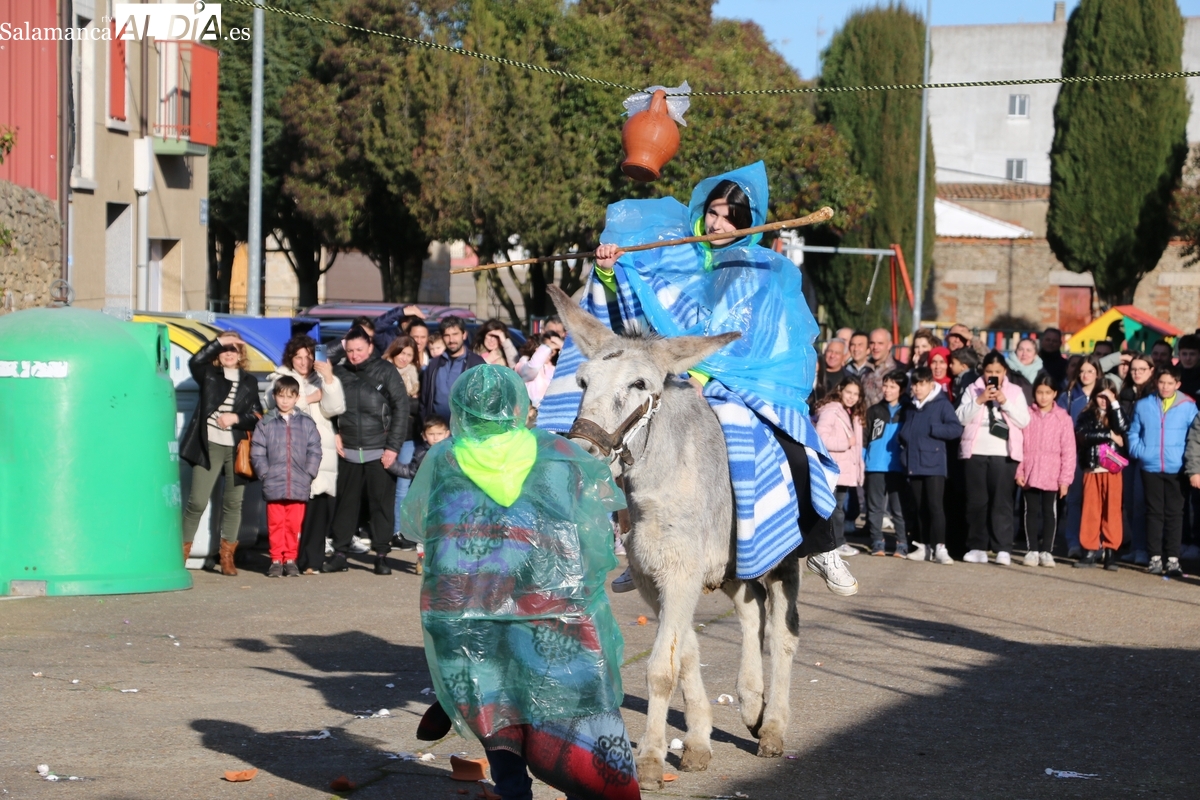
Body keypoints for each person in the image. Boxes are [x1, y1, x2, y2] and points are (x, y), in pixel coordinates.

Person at [538, 162, 852, 596]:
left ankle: (822, 544)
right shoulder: (675, 257)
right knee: (630, 444)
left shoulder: (760, 271)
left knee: (793, 451)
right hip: (670, 380)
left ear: (748, 225)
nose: (717, 223)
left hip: (741, 386)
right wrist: (611, 270)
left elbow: (758, 340)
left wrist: (706, 372)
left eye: (729, 218)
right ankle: (640, 552)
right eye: (713, 213)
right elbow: (633, 315)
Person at [399, 367, 638, 800]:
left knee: (495, 699)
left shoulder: (445, 457)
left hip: (468, 610)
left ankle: (513, 790)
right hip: (550, 604)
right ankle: (579, 785)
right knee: (570, 699)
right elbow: (592, 534)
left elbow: (420, 528)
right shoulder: (558, 453)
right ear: (516, 407)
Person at [324, 326, 410, 576]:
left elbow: (401, 408)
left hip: (380, 450)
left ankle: (381, 555)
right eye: (349, 350)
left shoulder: (385, 370)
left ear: (371, 347)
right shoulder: (338, 371)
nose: (354, 355)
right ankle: (340, 553)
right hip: (348, 449)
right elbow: (318, 357)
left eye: (359, 349)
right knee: (345, 505)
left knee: (380, 506)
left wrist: (393, 447)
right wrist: (334, 433)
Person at [179, 332, 263, 576]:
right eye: (225, 349)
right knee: (197, 501)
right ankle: (182, 553)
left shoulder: (249, 381)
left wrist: (236, 418)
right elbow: (195, 361)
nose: (228, 353)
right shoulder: (208, 375)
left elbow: (257, 416)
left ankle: (227, 556)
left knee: (233, 503)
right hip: (209, 445)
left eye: (234, 349)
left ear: (241, 354)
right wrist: (217, 342)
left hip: (237, 449)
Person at [265, 335, 347, 575]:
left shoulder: (322, 379)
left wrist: (329, 378)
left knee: (318, 509)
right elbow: (278, 406)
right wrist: (309, 398)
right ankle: (287, 558)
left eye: (308, 357)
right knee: (290, 512)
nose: (303, 362)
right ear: (290, 358)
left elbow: (335, 408)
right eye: (298, 357)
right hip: (291, 454)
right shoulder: (279, 379)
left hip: (320, 451)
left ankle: (312, 560)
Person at [957, 351, 1031, 565]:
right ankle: (977, 546)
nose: (993, 375)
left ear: (1004, 372)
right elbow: (960, 418)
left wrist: (1004, 401)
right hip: (975, 451)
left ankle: (1002, 548)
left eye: (997, 372)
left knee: (1002, 501)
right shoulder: (973, 389)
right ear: (983, 371)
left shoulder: (1015, 391)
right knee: (977, 501)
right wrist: (980, 400)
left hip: (1004, 453)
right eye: (989, 371)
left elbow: (1024, 421)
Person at [251, 377, 323, 578]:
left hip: (299, 483)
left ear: (297, 398)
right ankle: (275, 560)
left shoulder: (306, 423)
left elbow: (314, 450)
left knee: (293, 524)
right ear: (274, 396)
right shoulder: (266, 423)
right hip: (274, 482)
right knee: (276, 524)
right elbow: (257, 450)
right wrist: (264, 473)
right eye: (281, 396)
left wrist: (309, 473)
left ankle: (290, 559)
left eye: (289, 397)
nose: (284, 401)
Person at [1129, 365, 1196, 578]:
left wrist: (1188, 461)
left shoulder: (1188, 406)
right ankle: (1155, 556)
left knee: (1175, 513)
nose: (1165, 387)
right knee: (1154, 512)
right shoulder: (1143, 405)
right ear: (1156, 383)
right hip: (1150, 466)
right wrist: (1141, 452)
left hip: (1177, 468)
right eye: (1161, 382)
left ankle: (1173, 558)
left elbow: (1194, 436)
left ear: (1177, 384)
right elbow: (1134, 432)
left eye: (1170, 383)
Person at [899, 366, 963, 565]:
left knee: (935, 506)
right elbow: (905, 431)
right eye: (915, 384)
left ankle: (940, 547)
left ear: (931, 384)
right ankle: (923, 545)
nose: (917, 388)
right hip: (914, 462)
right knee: (920, 507)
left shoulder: (942, 405)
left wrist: (934, 429)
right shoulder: (910, 406)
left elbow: (955, 429)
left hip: (934, 464)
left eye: (922, 384)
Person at [1016, 374, 1075, 568]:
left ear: (1055, 394)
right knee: (1030, 511)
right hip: (1030, 469)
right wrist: (1019, 471)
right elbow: (1018, 443)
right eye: (1040, 392)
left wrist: (1065, 479)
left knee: (1050, 512)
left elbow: (1068, 450)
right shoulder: (1026, 414)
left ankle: (1047, 550)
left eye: (1048, 393)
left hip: (1052, 472)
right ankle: (1032, 549)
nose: (1043, 397)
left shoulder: (1063, 418)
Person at [388, 415, 451, 576]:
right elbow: (411, 471)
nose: (436, 438)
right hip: (425, 499)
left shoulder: (452, 451)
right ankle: (422, 560)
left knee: (444, 531)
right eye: (431, 434)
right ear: (424, 436)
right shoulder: (421, 452)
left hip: (445, 499)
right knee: (424, 531)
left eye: (439, 434)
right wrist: (393, 466)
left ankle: (441, 561)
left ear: (447, 433)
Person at [1074, 379, 1127, 570]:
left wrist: (1115, 404)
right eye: (1101, 396)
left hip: (1112, 469)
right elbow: (1083, 436)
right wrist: (1109, 435)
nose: (1104, 400)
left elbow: (1123, 428)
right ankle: (1089, 550)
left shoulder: (1117, 413)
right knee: (1090, 509)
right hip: (1092, 467)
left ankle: (1110, 552)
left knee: (1112, 510)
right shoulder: (1086, 415)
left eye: (1108, 396)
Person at [814, 378, 866, 569]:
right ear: (841, 390)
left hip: (842, 469)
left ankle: (834, 543)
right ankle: (836, 543)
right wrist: (845, 444)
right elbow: (821, 436)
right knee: (835, 509)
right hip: (834, 468)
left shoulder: (850, 413)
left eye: (855, 394)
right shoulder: (833, 410)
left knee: (837, 508)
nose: (852, 397)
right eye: (849, 392)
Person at [1059, 355, 1102, 558]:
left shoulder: (1104, 395)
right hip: (1073, 454)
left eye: (1090, 371)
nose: (1086, 375)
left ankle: (1094, 542)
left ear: (1097, 374)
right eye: (1083, 371)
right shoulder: (1068, 396)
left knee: (1096, 501)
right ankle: (1074, 542)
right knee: (1074, 500)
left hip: (1100, 455)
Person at [864, 370, 910, 557]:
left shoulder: (908, 411)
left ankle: (902, 541)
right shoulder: (874, 410)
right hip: (874, 465)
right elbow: (866, 438)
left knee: (898, 508)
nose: (888, 390)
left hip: (897, 466)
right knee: (875, 506)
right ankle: (877, 541)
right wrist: (863, 460)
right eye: (886, 385)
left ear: (902, 389)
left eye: (893, 386)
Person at [383, 336, 423, 544]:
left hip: (408, 436)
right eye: (402, 353)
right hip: (384, 436)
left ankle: (399, 531)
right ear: (393, 351)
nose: (404, 358)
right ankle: (381, 530)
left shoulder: (415, 376)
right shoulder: (383, 371)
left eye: (409, 355)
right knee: (383, 485)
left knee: (403, 485)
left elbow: (418, 406)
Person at [1119, 355, 1157, 566]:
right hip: (1126, 454)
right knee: (1131, 503)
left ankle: (1144, 548)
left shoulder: (1155, 394)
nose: (1137, 372)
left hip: (1147, 454)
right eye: (1133, 369)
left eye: (1142, 369)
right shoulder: (1124, 394)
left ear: (1151, 371)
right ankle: (1135, 546)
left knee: (1143, 502)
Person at [420, 316, 485, 426]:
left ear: (464, 335)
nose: (451, 340)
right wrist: (424, 425)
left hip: (464, 430)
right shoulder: (434, 364)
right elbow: (424, 400)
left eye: (455, 334)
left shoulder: (476, 364)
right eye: (447, 335)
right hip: (436, 430)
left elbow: (483, 401)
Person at [514, 332, 561, 411]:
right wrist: (548, 347)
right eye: (547, 347)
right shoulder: (522, 365)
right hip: (529, 415)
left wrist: (561, 345)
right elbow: (533, 368)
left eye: (554, 350)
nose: (550, 351)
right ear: (537, 349)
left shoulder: (555, 368)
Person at [861, 328, 900, 407]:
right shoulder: (864, 370)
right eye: (872, 343)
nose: (875, 347)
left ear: (889, 345)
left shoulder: (898, 369)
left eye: (880, 343)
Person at [1005, 338, 1044, 405]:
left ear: (1035, 354)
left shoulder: (1042, 374)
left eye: (1028, 350)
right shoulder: (1006, 370)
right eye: (1021, 349)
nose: (1024, 354)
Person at [815, 338, 848, 402]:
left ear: (844, 356)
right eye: (830, 351)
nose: (832, 356)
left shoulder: (848, 377)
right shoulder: (815, 374)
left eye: (837, 353)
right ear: (825, 352)